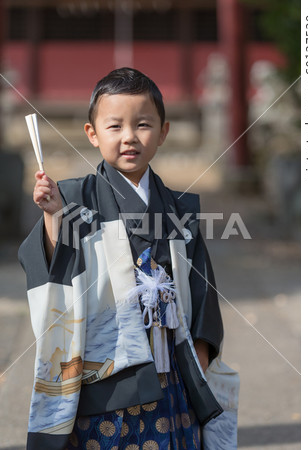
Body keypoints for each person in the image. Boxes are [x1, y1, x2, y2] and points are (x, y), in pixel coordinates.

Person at [19, 67, 224, 450]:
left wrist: (197, 363)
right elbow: (56, 266)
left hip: (170, 368)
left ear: (163, 132)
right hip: (105, 374)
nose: (129, 136)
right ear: (92, 134)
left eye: (143, 124)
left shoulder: (179, 209)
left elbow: (202, 290)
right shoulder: (73, 197)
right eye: (115, 127)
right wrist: (53, 216)